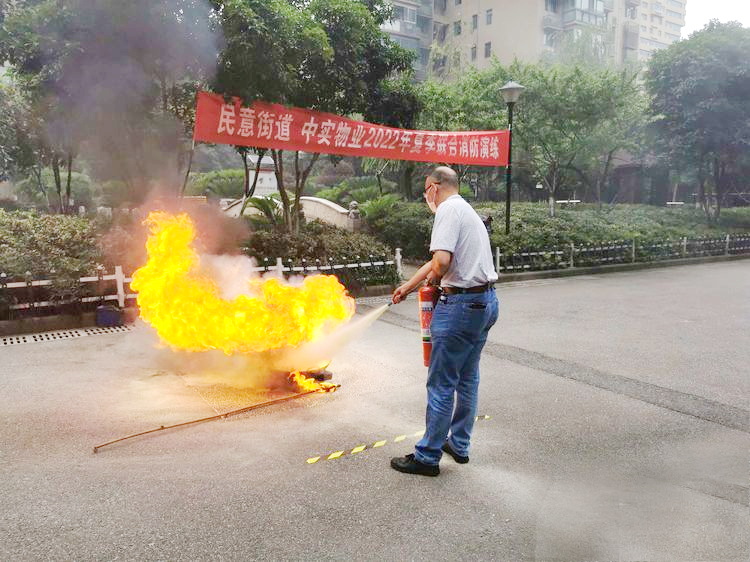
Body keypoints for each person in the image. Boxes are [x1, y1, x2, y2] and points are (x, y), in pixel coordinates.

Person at [390, 166, 499, 477]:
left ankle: (427, 457)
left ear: (433, 187)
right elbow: (436, 261)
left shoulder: (447, 211)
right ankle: (459, 444)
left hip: (460, 307)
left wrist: (435, 280)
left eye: (426, 191)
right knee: (467, 378)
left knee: (441, 383)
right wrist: (408, 286)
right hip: (485, 302)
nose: (427, 197)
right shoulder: (466, 210)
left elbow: (441, 262)